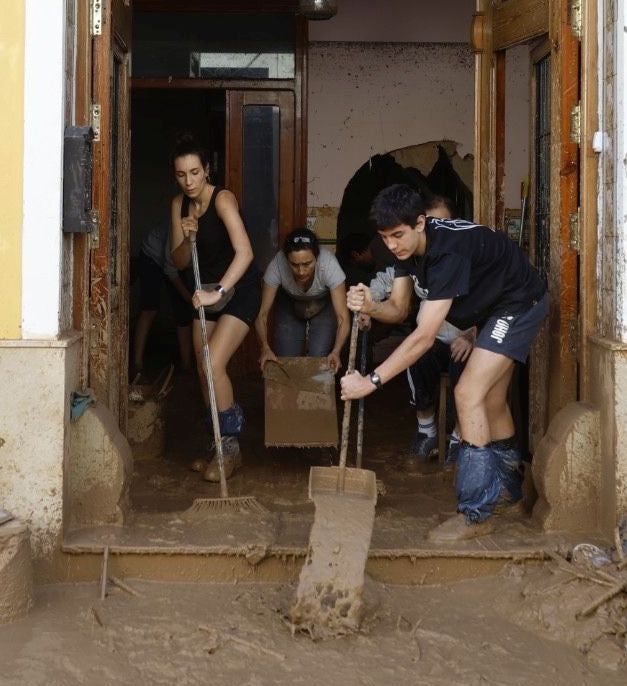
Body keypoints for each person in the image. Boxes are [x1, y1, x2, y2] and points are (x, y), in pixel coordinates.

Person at [342, 184, 550, 543]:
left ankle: (476, 513)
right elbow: (400, 309)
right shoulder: (406, 251)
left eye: (398, 235)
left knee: (467, 392)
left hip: (518, 304)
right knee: (492, 400)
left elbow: (423, 337)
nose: (391, 246)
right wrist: (371, 306)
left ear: (420, 222)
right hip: (494, 308)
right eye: (385, 238)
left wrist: (370, 382)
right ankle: (510, 495)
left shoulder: (447, 253)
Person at [168, 133, 260, 483]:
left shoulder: (223, 200)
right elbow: (178, 260)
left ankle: (231, 449)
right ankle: (218, 444)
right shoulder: (179, 205)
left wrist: (219, 290)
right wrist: (187, 236)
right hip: (204, 291)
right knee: (204, 373)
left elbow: (246, 253)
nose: (189, 181)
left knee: (212, 360)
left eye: (195, 172)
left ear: (207, 170)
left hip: (236, 289)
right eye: (181, 174)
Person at [359, 194, 477, 464]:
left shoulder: (461, 254)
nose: (438, 230)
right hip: (433, 337)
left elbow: (494, 302)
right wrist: (367, 305)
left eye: (444, 222)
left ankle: (461, 436)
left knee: (467, 372)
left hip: (467, 337)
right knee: (417, 357)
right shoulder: (409, 255)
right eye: (433, 222)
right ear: (420, 225)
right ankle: (427, 432)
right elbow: (386, 288)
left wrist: (472, 336)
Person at [254, 228, 350, 374]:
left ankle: (316, 396)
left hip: (323, 306)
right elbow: (261, 314)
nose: (301, 271)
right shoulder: (277, 265)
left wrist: (336, 351)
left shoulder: (329, 265)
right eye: (294, 264)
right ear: (286, 259)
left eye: (307, 264)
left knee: (320, 359)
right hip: (289, 303)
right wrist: (265, 347)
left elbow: (343, 317)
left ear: (317, 257)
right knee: (286, 360)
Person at [130, 219, 194, 399]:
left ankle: (187, 367)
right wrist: (189, 298)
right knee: (149, 308)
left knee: (183, 313)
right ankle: (137, 365)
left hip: (177, 262)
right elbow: (170, 270)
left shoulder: (208, 239)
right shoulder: (177, 233)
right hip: (152, 256)